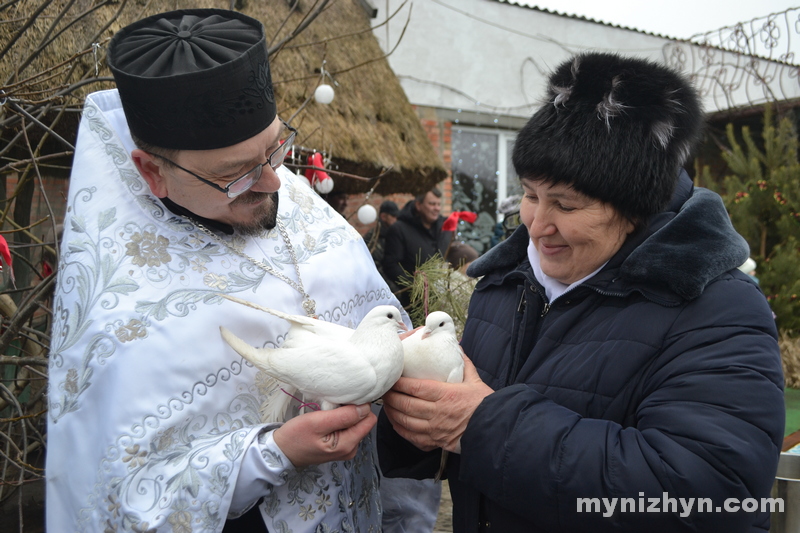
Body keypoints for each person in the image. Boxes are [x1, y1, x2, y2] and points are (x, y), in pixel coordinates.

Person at [378, 52, 784, 532]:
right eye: (530, 195)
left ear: (634, 210)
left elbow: (707, 496)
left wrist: (482, 427)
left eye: (566, 205)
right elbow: (465, 446)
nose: (537, 225)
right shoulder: (505, 286)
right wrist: (412, 418)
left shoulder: (717, 309)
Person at [46, 9, 407, 532]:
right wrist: (275, 453)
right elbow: (118, 497)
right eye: (235, 176)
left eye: (276, 148)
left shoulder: (293, 198)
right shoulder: (120, 307)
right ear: (153, 173)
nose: (275, 184)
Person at [382, 188, 453, 307]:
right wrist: (415, 287)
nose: (437, 208)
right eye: (432, 204)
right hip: (413, 303)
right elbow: (390, 265)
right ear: (418, 205)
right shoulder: (399, 229)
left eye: (438, 204)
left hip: (443, 301)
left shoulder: (444, 228)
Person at [363, 200, 400, 287]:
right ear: (383, 217)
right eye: (394, 216)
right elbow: (375, 268)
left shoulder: (393, 234)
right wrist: (393, 290)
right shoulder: (374, 238)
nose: (396, 220)